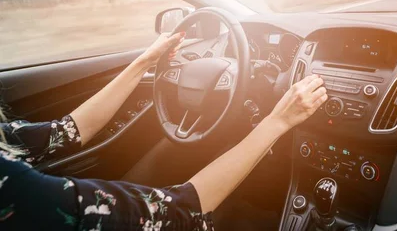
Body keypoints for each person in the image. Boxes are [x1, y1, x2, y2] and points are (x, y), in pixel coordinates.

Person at [0, 33, 328, 230]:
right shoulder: (17, 194)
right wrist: (278, 121)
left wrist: (145, 61)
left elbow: (66, 131)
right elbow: (178, 211)